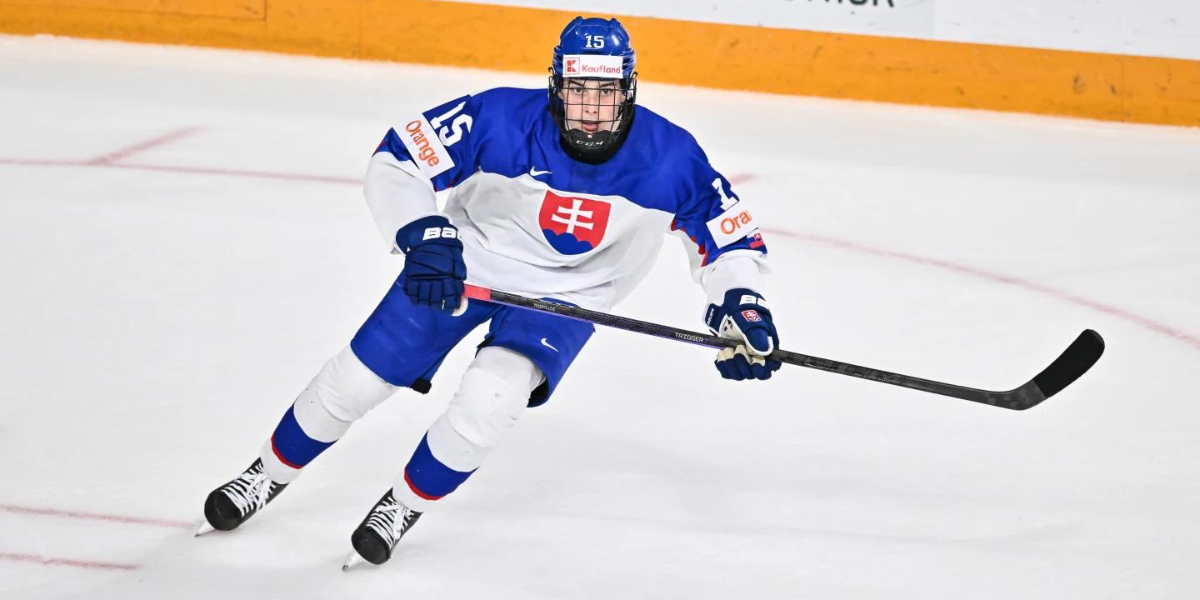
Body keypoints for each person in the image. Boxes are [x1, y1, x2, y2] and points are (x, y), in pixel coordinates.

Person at [198, 16, 782, 569]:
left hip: (570, 295)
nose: (591, 111)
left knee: (490, 402)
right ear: (556, 86)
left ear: (629, 88)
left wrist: (742, 303)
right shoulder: (499, 117)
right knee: (355, 380)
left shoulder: (673, 156)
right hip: (466, 267)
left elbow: (728, 240)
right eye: (578, 91)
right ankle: (266, 473)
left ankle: (403, 505)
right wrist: (422, 233)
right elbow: (400, 157)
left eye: (606, 93)